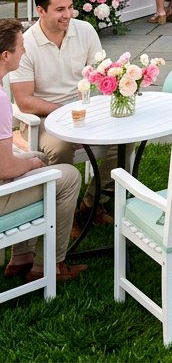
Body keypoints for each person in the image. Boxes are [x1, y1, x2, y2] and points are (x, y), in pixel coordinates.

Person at [10, 0, 112, 229]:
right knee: (60, 146)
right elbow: (24, 101)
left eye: (70, 7)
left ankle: (90, 204)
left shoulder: (85, 31)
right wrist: (67, 116)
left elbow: (101, 74)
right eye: (59, 9)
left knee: (125, 141)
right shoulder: (26, 44)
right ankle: (60, 215)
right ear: (41, 11)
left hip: (84, 110)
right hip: (43, 118)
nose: (67, 15)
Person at [1, 18, 86, 285]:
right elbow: (6, 169)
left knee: (37, 156)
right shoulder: (1, 101)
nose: (24, 51)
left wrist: (31, 162)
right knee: (69, 176)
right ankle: (50, 265)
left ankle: (21, 258)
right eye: (20, 47)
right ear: (6, 55)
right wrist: (31, 167)